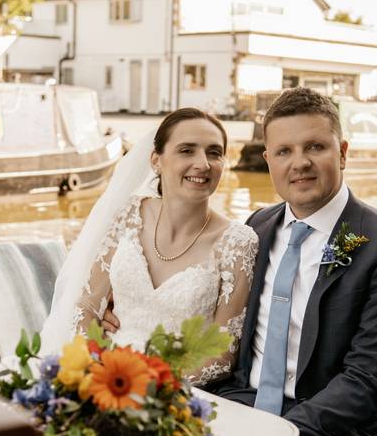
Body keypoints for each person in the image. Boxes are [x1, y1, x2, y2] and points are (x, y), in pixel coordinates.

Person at [208, 87, 377, 436]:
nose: (300, 163)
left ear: (342, 152)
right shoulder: (257, 225)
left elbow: (368, 379)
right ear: (268, 160)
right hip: (246, 405)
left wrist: (277, 433)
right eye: (284, 150)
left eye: (315, 147)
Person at [41, 108, 258, 385]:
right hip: (105, 375)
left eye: (214, 153)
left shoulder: (238, 243)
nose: (203, 163)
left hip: (176, 394)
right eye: (187, 151)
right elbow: (86, 306)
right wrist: (98, 365)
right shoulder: (128, 214)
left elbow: (221, 355)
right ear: (156, 160)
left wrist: (151, 389)